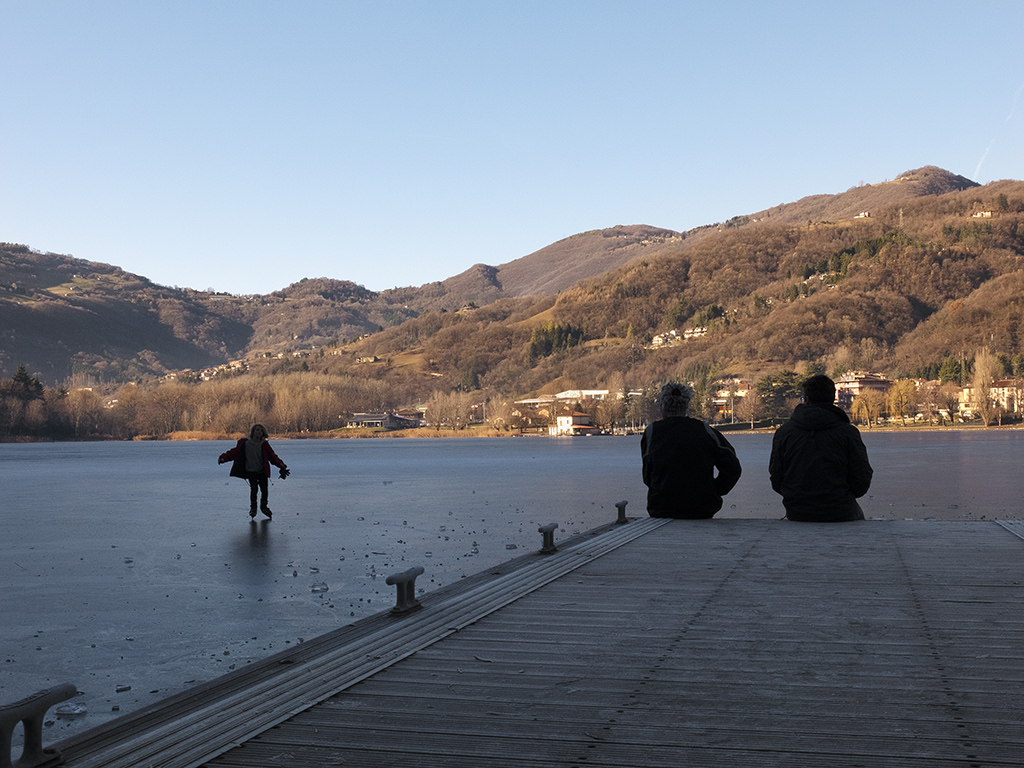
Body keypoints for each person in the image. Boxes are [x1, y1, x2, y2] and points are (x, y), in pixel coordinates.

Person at [769, 374, 872, 522]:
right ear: (832, 398)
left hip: (797, 511)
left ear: (807, 399)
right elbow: (862, 478)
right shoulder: (848, 433)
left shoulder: (784, 433)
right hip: (841, 510)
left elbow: (776, 477)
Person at [640, 382, 742, 519]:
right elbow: (732, 468)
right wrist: (714, 491)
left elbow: (647, 475)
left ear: (662, 406)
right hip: (701, 509)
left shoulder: (652, 433)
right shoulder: (705, 431)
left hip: (662, 509)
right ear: (686, 405)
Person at [218, 424, 289, 519]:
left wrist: (281, 464)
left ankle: (264, 507)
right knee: (254, 489)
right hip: (251, 471)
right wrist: (223, 458)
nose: (259, 432)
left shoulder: (264, 444)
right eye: (257, 430)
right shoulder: (245, 444)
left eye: (261, 431)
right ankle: (253, 508)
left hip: (262, 471)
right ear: (253, 432)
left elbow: (272, 457)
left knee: (264, 491)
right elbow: (234, 452)